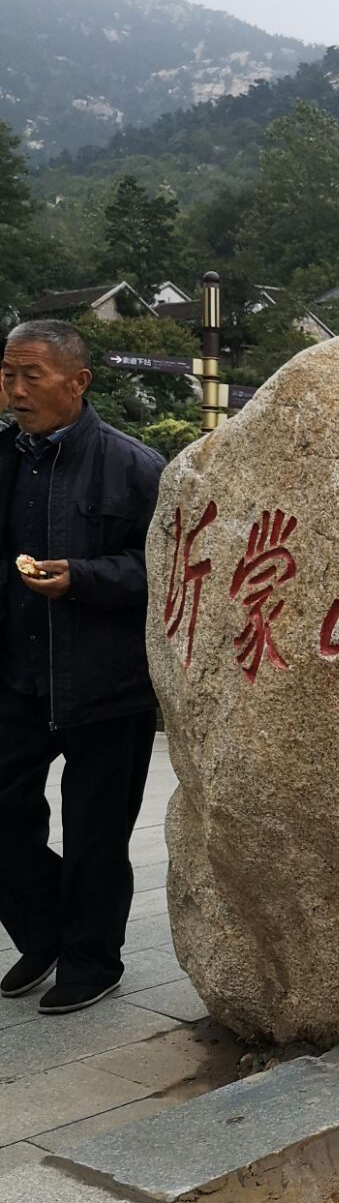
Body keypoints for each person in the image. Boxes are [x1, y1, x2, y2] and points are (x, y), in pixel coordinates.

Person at [0, 320, 164, 1013]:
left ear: (78, 381)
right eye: (7, 373)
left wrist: (85, 579)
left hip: (107, 684)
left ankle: (92, 960)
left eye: (30, 375)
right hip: (16, 676)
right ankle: (44, 932)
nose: (14, 389)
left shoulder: (135, 466)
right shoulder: (2, 457)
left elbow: (166, 572)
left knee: (97, 833)